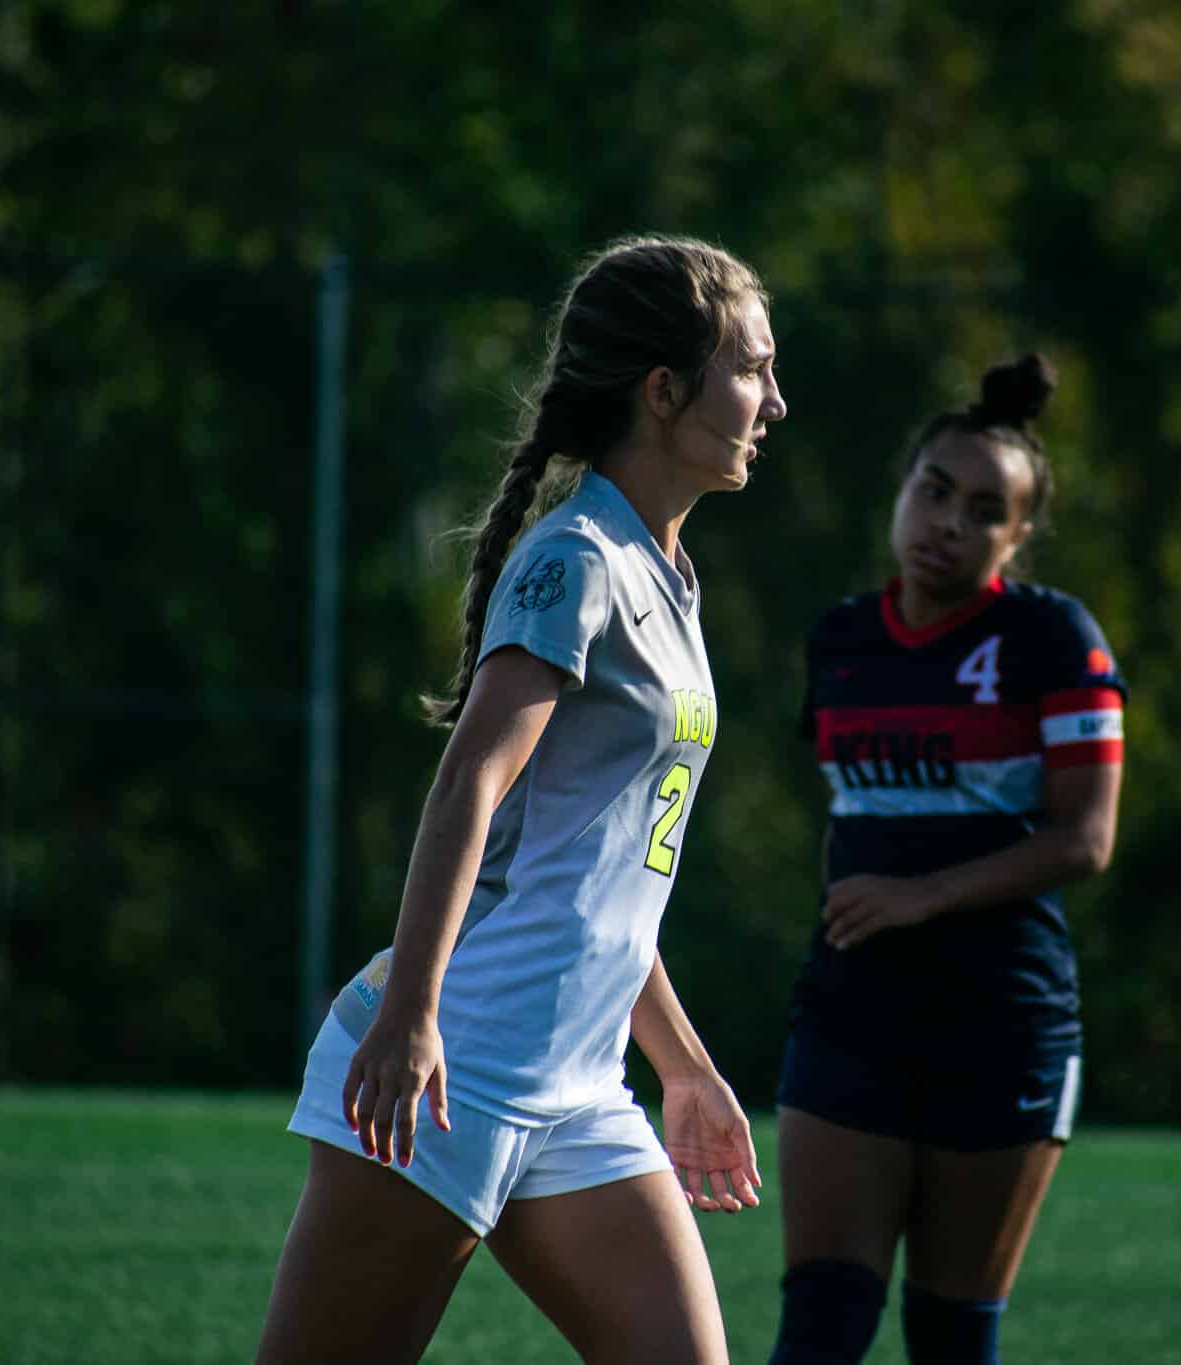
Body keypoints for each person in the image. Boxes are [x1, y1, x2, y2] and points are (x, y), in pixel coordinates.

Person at [253, 234, 786, 1365]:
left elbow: (591, 877)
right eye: (749, 368)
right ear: (661, 391)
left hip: (583, 1092)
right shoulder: (579, 557)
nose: (771, 402)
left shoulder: (667, 573)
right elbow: (471, 780)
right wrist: (409, 1020)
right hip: (455, 1066)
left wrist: (680, 1064)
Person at [767, 354, 1125, 1365]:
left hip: (999, 1024)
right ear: (899, 492)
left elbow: (1084, 839)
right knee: (819, 1328)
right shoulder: (840, 638)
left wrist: (923, 896)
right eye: (933, 492)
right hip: (851, 1010)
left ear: (1016, 535)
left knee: (949, 1340)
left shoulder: (1049, 637)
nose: (948, 523)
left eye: (982, 508)